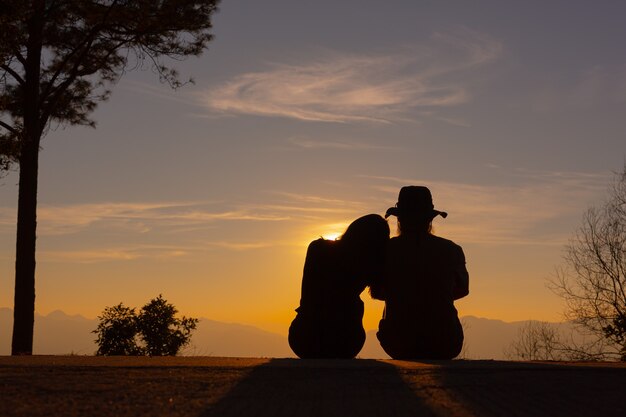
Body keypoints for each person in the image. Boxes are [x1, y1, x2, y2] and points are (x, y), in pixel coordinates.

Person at [372, 186, 469, 360]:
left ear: (399, 219)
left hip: (399, 344)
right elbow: (462, 290)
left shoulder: (385, 250)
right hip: (446, 343)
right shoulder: (452, 250)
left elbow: (378, 293)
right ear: (430, 220)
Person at [288, 214, 390, 358]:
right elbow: (380, 294)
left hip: (302, 338)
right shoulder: (370, 263)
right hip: (346, 342)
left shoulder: (316, 248)